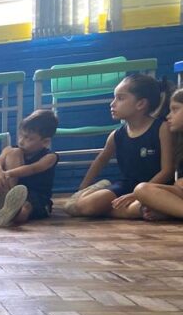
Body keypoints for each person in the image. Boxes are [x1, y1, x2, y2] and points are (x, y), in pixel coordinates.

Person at [65, 74, 173, 219]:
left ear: (140, 104)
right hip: (127, 185)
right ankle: (131, 209)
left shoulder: (162, 128)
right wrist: (82, 189)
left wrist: (137, 194)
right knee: (87, 206)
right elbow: (100, 161)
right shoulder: (116, 135)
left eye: (120, 98)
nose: (112, 103)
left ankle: (131, 209)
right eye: (114, 98)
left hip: (154, 187)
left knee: (139, 205)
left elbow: (167, 171)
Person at [0, 110, 60, 227]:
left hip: (36, 197)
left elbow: (32, 169)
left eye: (28, 138)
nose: (21, 141)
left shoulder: (50, 157)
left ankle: (13, 212)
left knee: (26, 208)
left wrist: (7, 174)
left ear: (45, 142)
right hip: (13, 190)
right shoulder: (11, 149)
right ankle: (7, 197)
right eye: (21, 135)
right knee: (13, 152)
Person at [134, 87, 183, 220]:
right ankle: (171, 212)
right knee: (141, 190)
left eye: (175, 109)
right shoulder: (180, 143)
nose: (168, 116)